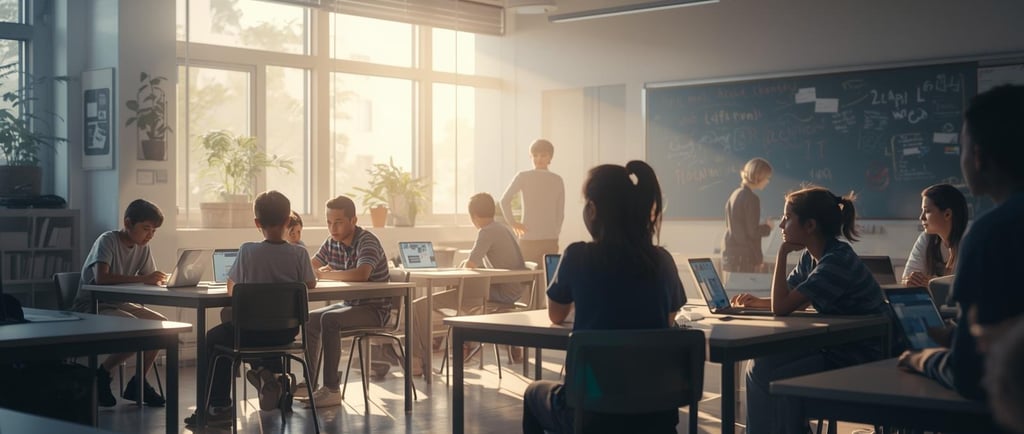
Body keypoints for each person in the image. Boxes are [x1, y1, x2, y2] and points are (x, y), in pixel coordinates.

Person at [522, 160, 686, 434]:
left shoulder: (577, 255)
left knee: (532, 393)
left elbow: (556, 314)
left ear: (593, 209)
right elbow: (668, 321)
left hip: (592, 410)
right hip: (655, 411)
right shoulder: (663, 260)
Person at [898, 84, 1024, 402]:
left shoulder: (990, 235)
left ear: (978, 157)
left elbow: (969, 372)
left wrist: (921, 359)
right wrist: (958, 336)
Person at [730, 186, 887, 434]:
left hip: (860, 358)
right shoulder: (812, 257)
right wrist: (754, 301)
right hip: (838, 348)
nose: (781, 225)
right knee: (762, 363)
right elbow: (788, 298)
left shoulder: (836, 261)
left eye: (788, 217)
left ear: (810, 225)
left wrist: (782, 253)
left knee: (767, 373)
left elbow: (782, 307)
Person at [184, 191, 317, 427]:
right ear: (288, 220)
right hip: (287, 332)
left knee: (215, 338)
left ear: (257, 223)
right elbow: (309, 284)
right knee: (260, 333)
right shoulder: (300, 253)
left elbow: (232, 289)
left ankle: (219, 406)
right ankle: (273, 376)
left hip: (250, 333)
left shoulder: (247, 251)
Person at [73, 198, 169, 407]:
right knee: (136, 329)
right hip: (93, 305)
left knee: (163, 328)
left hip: (119, 304)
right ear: (127, 223)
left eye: (154, 231)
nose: (150, 235)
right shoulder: (107, 240)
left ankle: (137, 383)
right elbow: (101, 278)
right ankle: (102, 374)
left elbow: (148, 278)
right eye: (146, 229)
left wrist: (164, 280)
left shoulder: (142, 247)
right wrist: (145, 278)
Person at [300, 195, 391, 408]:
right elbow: (309, 266)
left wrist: (324, 275)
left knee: (330, 320)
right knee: (311, 319)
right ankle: (311, 385)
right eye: (329, 222)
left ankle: (332, 389)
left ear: (353, 220)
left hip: (375, 309)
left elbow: (362, 274)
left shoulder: (367, 241)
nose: (333, 228)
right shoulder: (332, 242)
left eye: (339, 222)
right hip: (351, 305)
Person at [499, 139, 565, 264]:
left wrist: (555, 232)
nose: (539, 159)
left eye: (543, 155)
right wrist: (513, 223)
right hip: (530, 238)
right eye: (535, 155)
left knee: (543, 278)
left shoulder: (557, 180)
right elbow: (504, 200)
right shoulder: (524, 176)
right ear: (531, 156)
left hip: (549, 239)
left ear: (550, 157)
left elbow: (560, 212)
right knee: (533, 277)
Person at [901, 184, 968, 287]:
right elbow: (906, 278)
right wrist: (909, 281)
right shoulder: (926, 239)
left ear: (947, 214)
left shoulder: (970, 243)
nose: (921, 217)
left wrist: (935, 284)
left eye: (927, 211)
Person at [722, 157, 773, 273]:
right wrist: (768, 227)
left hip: (731, 253)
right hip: (744, 257)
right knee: (745, 289)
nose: (767, 181)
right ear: (758, 177)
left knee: (734, 289)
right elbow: (752, 232)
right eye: (767, 177)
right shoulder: (752, 199)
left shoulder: (735, 194)